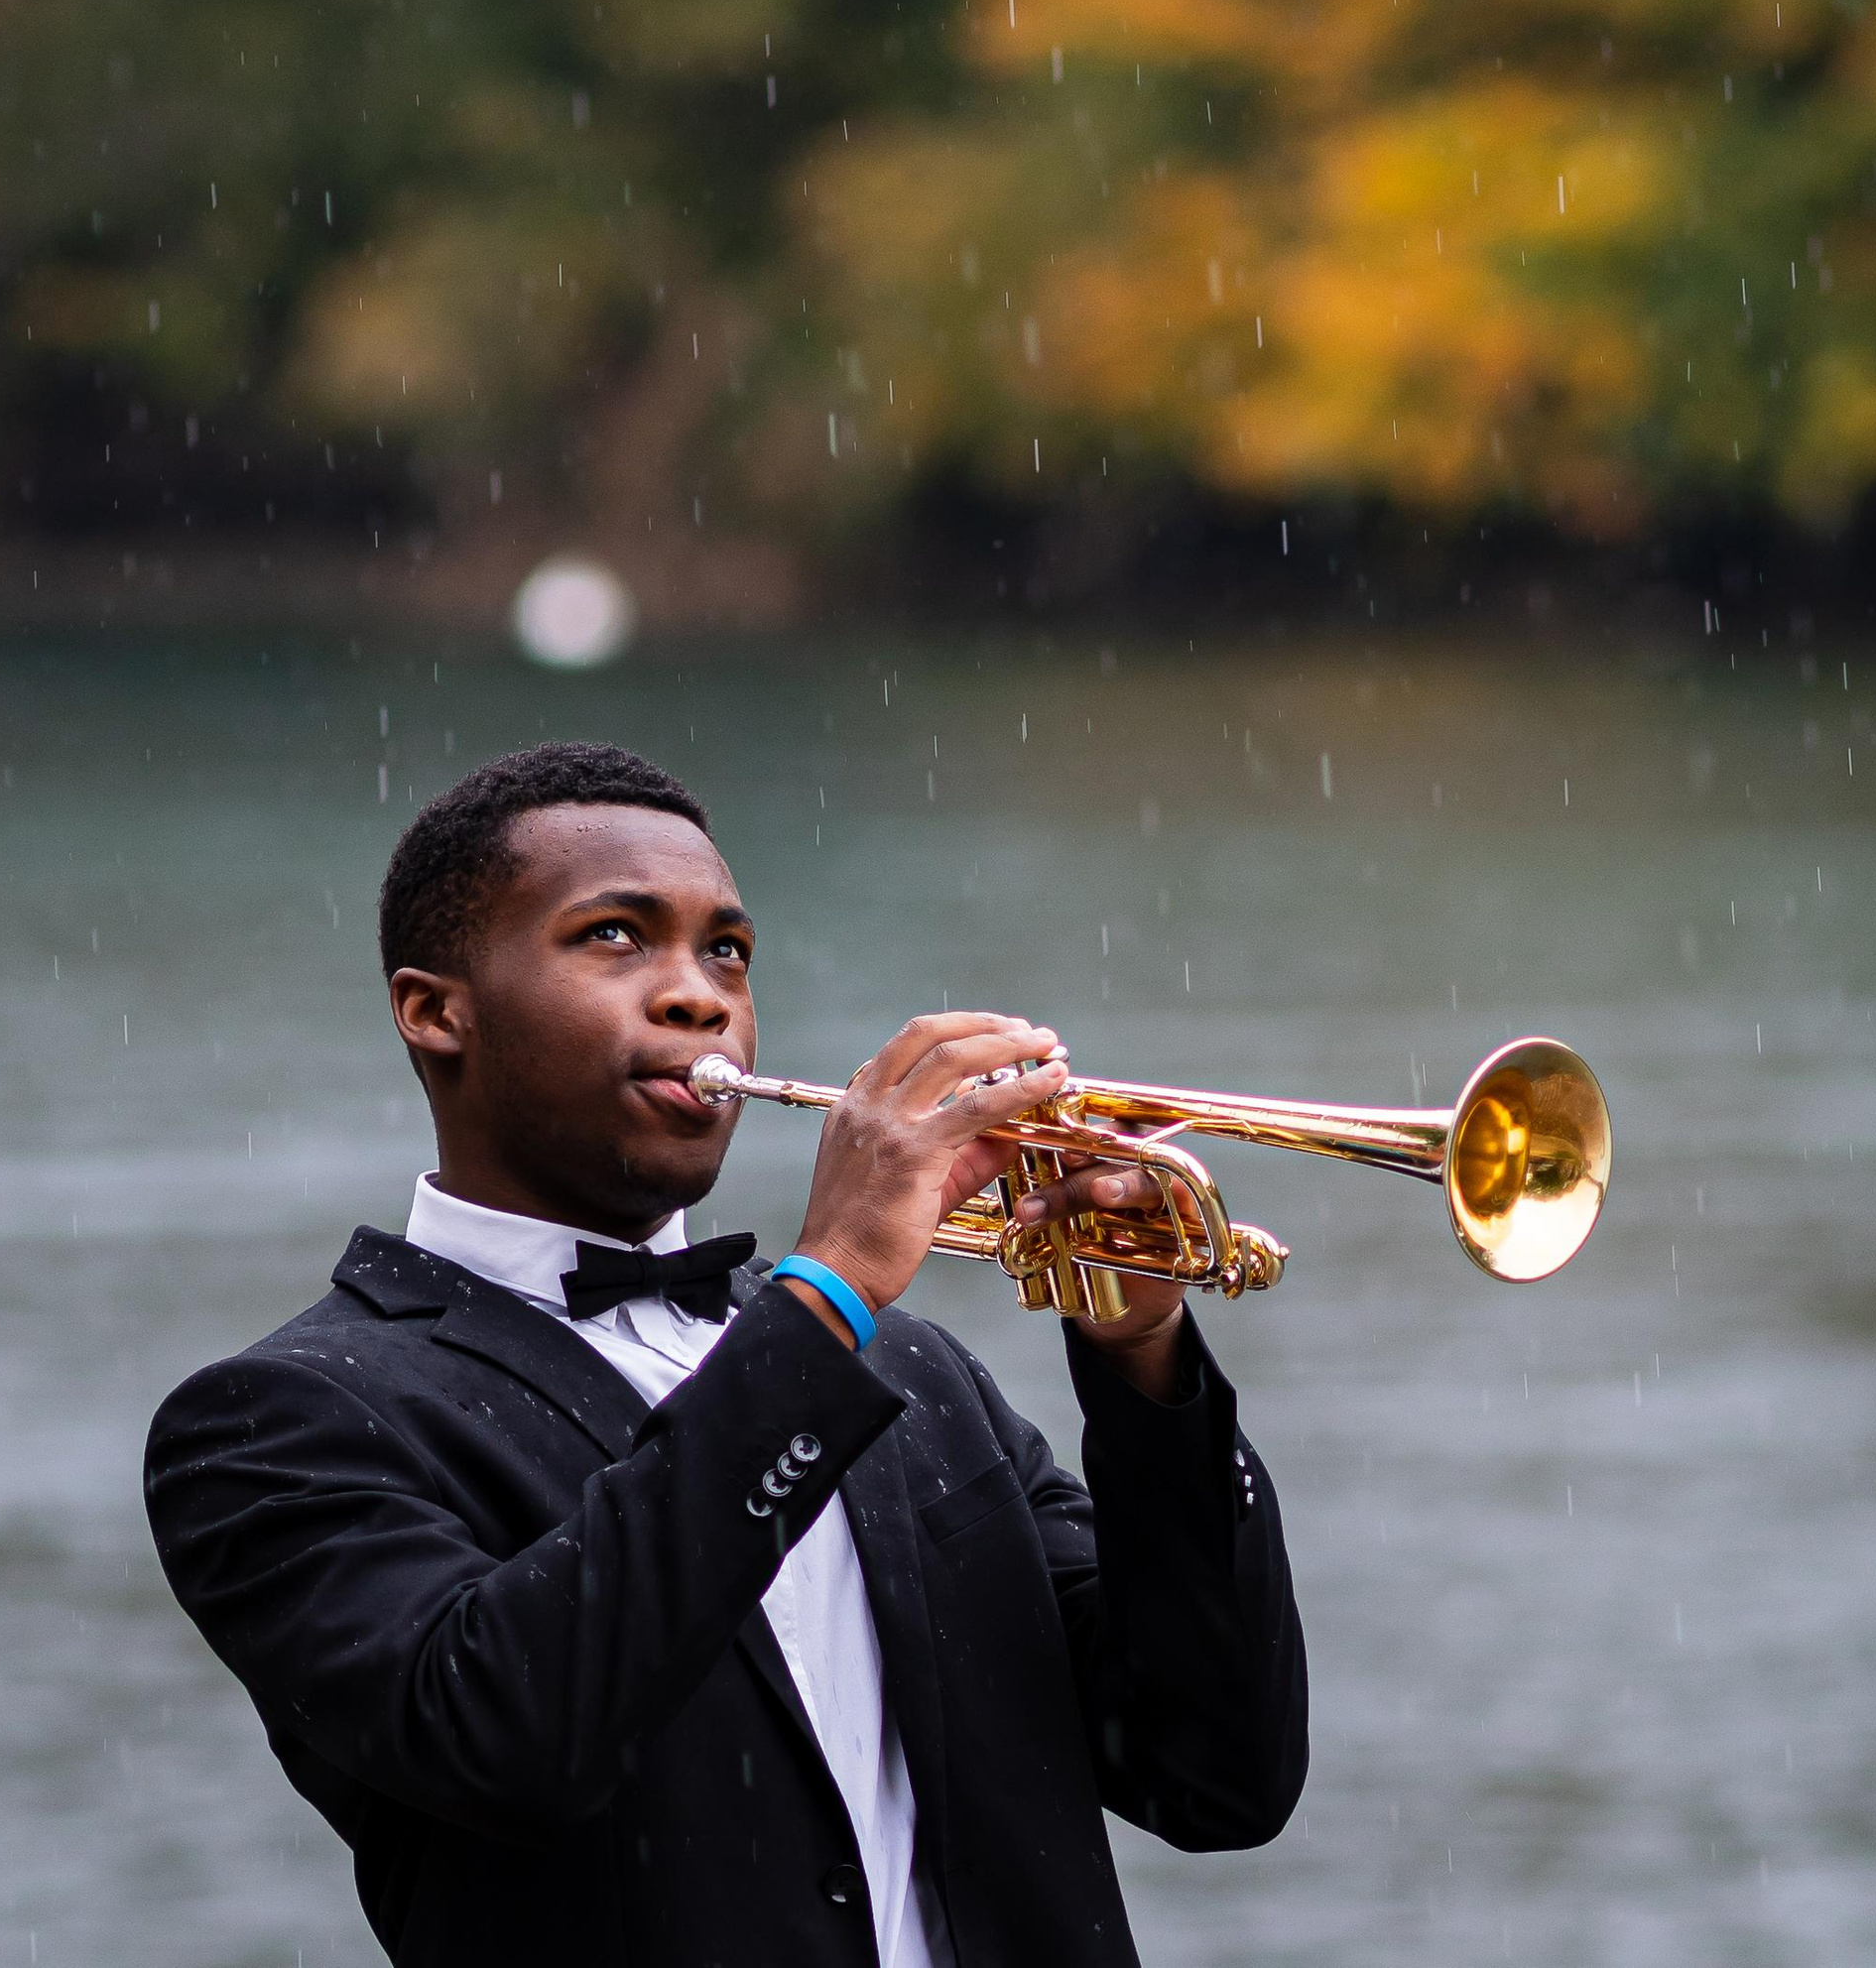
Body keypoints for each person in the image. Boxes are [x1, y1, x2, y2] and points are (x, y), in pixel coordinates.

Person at [146, 737, 1307, 1968]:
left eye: (727, 953)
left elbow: (1216, 1776)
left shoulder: (915, 1381)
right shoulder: (277, 1421)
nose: (698, 995)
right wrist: (834, 1284)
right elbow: (512, 1734)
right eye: (613, 936)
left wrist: (1143, 1362)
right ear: (437, 1011)